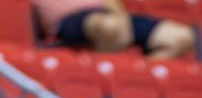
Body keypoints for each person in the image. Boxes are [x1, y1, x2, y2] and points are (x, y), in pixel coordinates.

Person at [32, 0, 193, 57]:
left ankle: (138, 73)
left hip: (111, 16)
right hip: (72, 21)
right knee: (109, 27)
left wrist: (120, 18)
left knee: (182, 37)